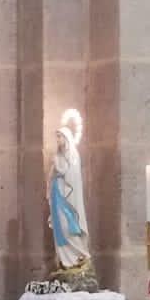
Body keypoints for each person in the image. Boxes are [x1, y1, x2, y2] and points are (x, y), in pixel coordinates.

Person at [50, 109, 90, 271]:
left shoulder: (73, 155)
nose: (57, 140)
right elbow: (52, 174)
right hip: (56, 191)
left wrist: (57, 165)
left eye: (59, 136)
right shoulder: (58, 156)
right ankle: (65, 260)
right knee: (59, 225)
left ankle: (80, 255)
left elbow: (69, 174)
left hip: (67, 194)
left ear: (66, 138)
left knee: (68, 225)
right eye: (57, 137)